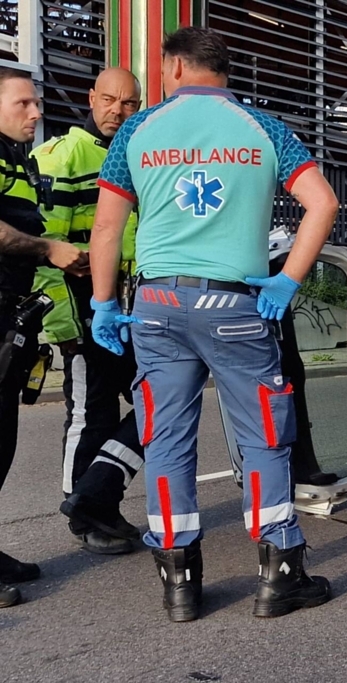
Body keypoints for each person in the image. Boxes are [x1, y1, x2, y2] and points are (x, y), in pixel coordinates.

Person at [88, 27, 339, 622]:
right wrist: (289, 279)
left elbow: (106, 229)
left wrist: (102, 303)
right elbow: (323, 203)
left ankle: (180, 584)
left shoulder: (137, 130)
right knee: (263, 438)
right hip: (236, 307)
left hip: (157, 306)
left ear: (174, 67)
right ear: (223, 71)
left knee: (166, 441)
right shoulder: (264, 128)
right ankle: (279, 576)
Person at [32, 68, 144, 556]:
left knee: (154, 401)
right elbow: (43, 248)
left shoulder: (129, 156)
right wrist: (64, 326)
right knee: (90, 412)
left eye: (129, 103)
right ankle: (84, 514)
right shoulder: (66, 155)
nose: (117, 111)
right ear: (91, 98)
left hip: (124, 304)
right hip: (80, 308)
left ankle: (97, 497)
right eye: (110, 100)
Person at [0, 68, 88, 607]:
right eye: (23, 103)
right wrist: (49, 249)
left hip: (11, 315)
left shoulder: (18, 158)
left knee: (2, 445)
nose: (36, 112)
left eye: (36, 102)